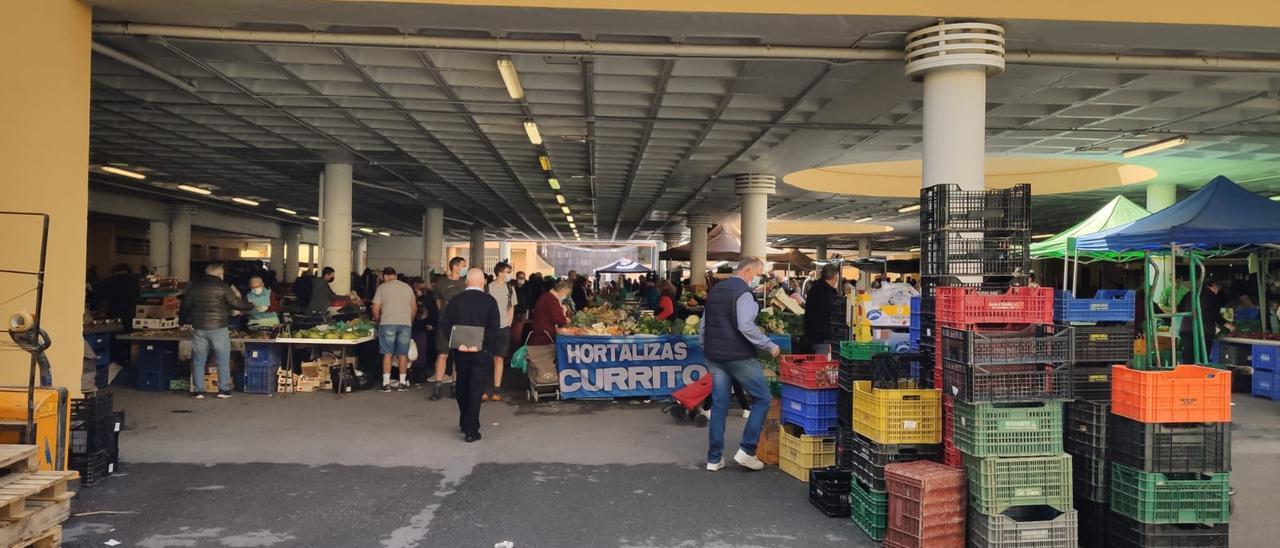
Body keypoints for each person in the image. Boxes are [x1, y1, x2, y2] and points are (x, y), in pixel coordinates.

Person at [699, 256, 777, 472]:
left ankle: (714, 459)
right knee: (762, 398)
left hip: (715, 356)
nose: (758, 280)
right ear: (748, 272)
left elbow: (704, 325)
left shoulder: (715, 290)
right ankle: (747, 450)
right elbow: (745, 325)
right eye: (758, 275)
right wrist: (767, 344)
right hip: (739, 355)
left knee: (719, 405)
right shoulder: (743, 293)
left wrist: (706, 346)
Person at [438, 268, 501, 442]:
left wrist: (458, 343)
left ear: (466, 282)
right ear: (483, 282)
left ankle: (465, 420)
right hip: (481, 352)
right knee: (476, 388)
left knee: (462, 386)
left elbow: (445, 324)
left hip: (461, 352)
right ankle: (471, 429)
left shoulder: (455, 301)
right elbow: (495, 327)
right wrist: (481, 344)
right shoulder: (489, 301)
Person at [181, 263, 254, 399]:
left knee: (198, 360)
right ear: (219, 273)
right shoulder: (223, 287)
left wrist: (183, 321)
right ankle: (223, 390)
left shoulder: (194, 287)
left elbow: (185, 305)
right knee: (222, 359)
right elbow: (236, 304)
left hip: (199, 328)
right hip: (218, 328)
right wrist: (251, 305)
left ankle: (198, 391)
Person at [429, 257, 469, 399]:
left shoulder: (466, 282)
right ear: (455, 266)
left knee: (458, 355)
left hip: (461, 322)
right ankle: (438, 386)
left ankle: (455, 385)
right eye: (463, 265)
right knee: (443, 353)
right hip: (445, 322)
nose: (465, 268)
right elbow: (438, 303)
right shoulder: (441, 283)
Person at [372, 267, 417, 392]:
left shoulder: (382, 288)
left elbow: (375, 308)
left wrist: (378, 320)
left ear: (385, 276)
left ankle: (386, 384)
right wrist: (410, 320)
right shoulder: (407, 287)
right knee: (403, 354)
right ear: (395, 275)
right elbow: (414, 307)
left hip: (387, 323)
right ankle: (402, 383)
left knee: (388, 353)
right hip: (405, 324)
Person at [1179, 278, 1233, 364]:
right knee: (1201, 361)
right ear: (1215, 287)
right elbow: (1214, 314)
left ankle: (1186, 376)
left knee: (1188, 360)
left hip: (1187, 330)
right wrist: (1227, 324)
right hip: (1203, 332)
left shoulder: (1190, 293)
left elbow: (1180, 308)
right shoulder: (1212, 296)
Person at [485, 262, 516, 401]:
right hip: (489, 328)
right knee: (486, 358)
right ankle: (484, 389)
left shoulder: (510, 289)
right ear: (499, 272)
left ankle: (496, 389)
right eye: (506, 271)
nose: (508, 274)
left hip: (504, 328)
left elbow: (511, 307)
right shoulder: (487, 288)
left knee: (499, 358)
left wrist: (509, 322)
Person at [804, 264, 840, 356]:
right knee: (822, 365)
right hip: (822, 338)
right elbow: (827, 316)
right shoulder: (827, 293)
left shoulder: (815, 287)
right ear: (835, 276)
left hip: (811, 334)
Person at [529, 280, 572, 345]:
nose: (565, 296)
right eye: (566, 294)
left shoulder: (547, 296)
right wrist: (567, 320)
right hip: (545, 334)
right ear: (562, 290)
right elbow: (558, 319)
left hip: (541, 330)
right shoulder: (552, 299)